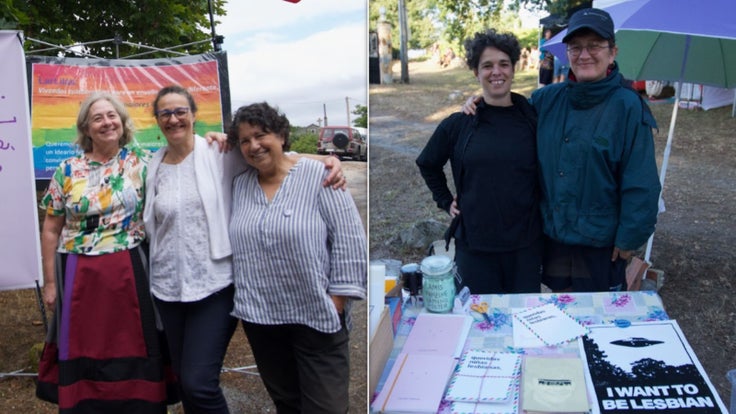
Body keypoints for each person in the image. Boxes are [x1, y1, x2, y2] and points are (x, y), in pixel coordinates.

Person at [143, 86, 346, 413]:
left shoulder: (218, 154)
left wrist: (326, 159)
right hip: (168, 287)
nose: (173, 118)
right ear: (157, 120)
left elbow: (274, 156)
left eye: (180, 110)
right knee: (185, 381)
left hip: (214, 283)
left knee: (199, 383)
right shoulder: (153, 164)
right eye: (165, 113)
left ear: (194, 115)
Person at [463, 8, 661, 292]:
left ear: (612, 52)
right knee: (557, 313)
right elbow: (506, 122)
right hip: (551, 238)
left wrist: (629, 239)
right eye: (576, 47)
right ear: (566, 53)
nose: (584, 55)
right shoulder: (545, 101)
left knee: (595, 316)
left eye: (594, 46)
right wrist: (476, 103)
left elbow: (641, 182)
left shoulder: (629, 108)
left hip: (600, 244)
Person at [37, 92, 175, 413]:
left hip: (129, 270)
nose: (106, 122)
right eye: (97, 118)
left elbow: (189, 155)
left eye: (111, 116)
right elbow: (50, 229)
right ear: (86, 128)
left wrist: (308, 158)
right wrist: (50, 283)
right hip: (78, 274)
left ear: (122, 122)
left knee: (134, 342)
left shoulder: (143, 162)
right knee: (85, 346)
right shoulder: (67, 169)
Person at [227, 102, 366, 413]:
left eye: (261, 135)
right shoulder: (239, 185)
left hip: (315, 315)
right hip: (262, 320)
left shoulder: (320, 177)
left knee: (326, 408)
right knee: (288, 405)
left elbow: (349, 238)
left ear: (281, 135)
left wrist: (338, 299)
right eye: (245, 140)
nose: (253, 146)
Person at [415, 29, 543, 294]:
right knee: (477, 323)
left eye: (503, 64)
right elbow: (427, 162)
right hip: (475, 247)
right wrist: (444, 199)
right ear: (476, 72)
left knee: (522, 320)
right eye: (487, 65)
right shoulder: (459, 123)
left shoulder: (533, 118)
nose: (496, 72)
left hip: (525, 247)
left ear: (513, 68)